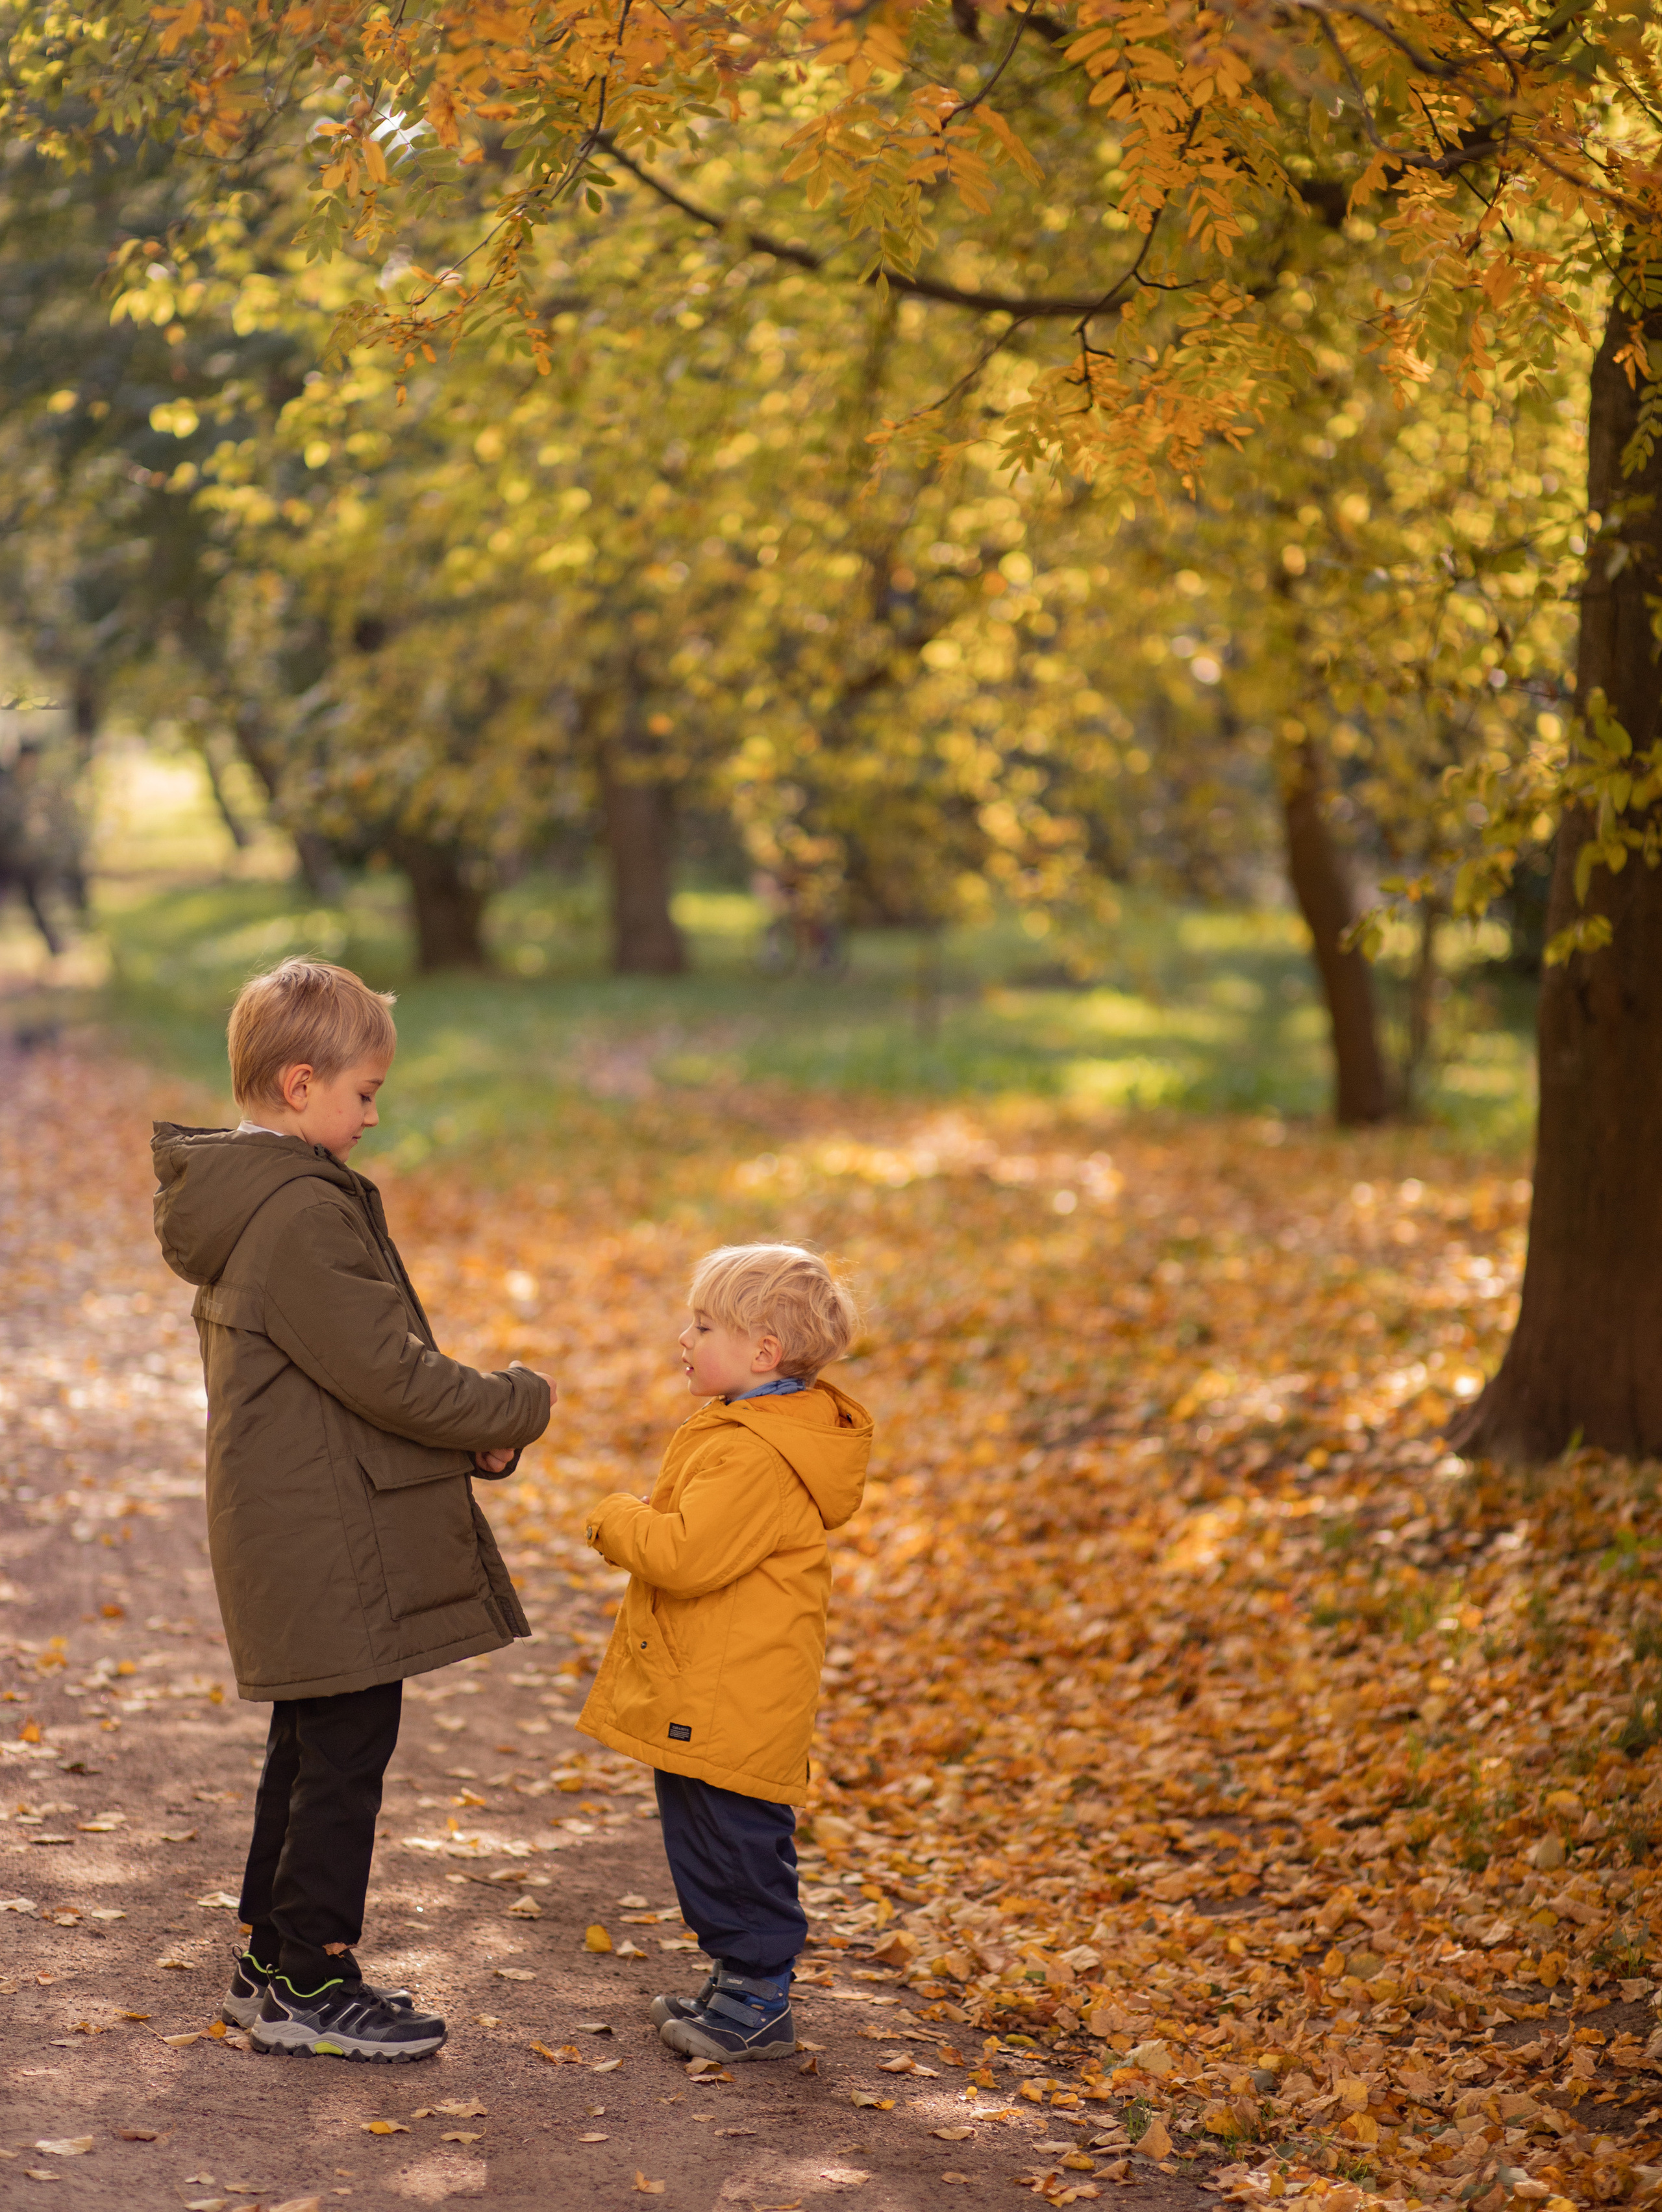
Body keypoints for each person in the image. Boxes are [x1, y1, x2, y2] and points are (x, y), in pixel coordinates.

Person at [151, 957, 552, 2062]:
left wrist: (472, 1434)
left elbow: (354, 1376)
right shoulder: (296, 1217)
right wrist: (517, 1402)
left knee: (313, 1737)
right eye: (364, 1092)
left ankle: (270, 1961)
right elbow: (391, 1371)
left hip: (303, 1517)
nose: (375, 1112)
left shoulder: (259, 1200)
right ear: (297, 1084)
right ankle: (309, 1977)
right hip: (322, 1534)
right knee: (342, 1750)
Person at [578, 1242, 872, 2061]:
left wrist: (613, 1516)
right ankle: (737, 1979)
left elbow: (685, 1554)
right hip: (713, 1682)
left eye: (703, 1324)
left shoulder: (753, 1450)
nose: (685, 1336)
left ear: (762, 1352)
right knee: (705, 1833)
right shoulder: (748, 1430)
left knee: (736, 1838)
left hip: (731, 1691)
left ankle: (759, 1992)